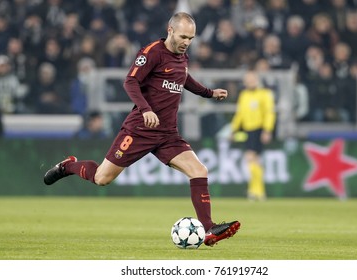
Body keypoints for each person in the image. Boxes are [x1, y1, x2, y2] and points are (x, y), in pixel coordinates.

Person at [44, 12, 240, 246]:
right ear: (170, 31)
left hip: (167, 134)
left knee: (199, 170)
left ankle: (208, 230)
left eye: (191, 38)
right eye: (183, 36)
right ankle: (68, 166)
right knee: (101, 178)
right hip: (139, 130)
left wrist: (209, 93)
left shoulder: (182, 56)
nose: (187, 42)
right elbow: (130, 81)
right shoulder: (152, 53)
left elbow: (183, 78)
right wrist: (146, 109)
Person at [230, 71, 276, 201]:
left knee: (251, 158)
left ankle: (256, 191)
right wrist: (233, 130)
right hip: (247, 130)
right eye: (247, 80)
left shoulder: (265, 94)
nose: (249, 82)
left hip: (259, 129)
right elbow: (239, 114)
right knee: (254, 160)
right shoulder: (244, 95)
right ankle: (257, 191)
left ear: (257, 80)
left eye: (252, 79)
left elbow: (269, 113)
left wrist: (267, 130)